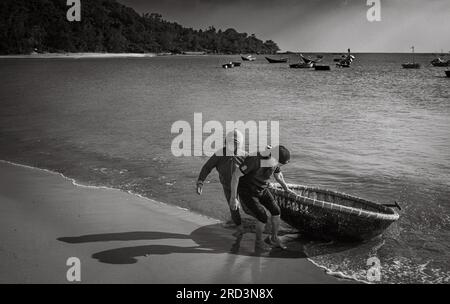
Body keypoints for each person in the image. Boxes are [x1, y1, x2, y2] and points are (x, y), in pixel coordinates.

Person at [229, 145, 295, 251]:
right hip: (247, 191)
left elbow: (278, 175)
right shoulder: (254, 159)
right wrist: (233, 198)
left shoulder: (275, 159)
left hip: (262, 188)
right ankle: (258, 243)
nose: (279, 166)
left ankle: (274, 238)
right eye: (279, 164)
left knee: (276, 211)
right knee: (262, 217)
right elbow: (235, 176)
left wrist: (286, 188)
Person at [196, 129, 247, 236]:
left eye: (235, 143)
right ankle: (239, 227)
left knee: (247, 205)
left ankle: (250, 220)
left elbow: (254, 168)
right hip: (227, 185)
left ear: (239, 144)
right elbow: (207, 167)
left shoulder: (244, 155)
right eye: (230, 143)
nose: (232, 146)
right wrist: (200, 182)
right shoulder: (219, 154)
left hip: (242, 185)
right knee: (233, 206)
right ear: (225, 142)